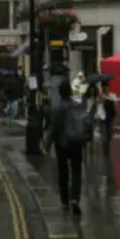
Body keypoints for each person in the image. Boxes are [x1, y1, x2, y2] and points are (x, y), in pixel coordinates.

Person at [43, 79, 88, 216]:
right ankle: (74, 198)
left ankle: (64, 200)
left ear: (60, 93)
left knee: (63, 172)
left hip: (61, 144)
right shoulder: (77, 106)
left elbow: (53, 128)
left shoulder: (57, 109)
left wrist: (47, 144)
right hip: (76, 143)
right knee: (76, 172)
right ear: (70, 92)